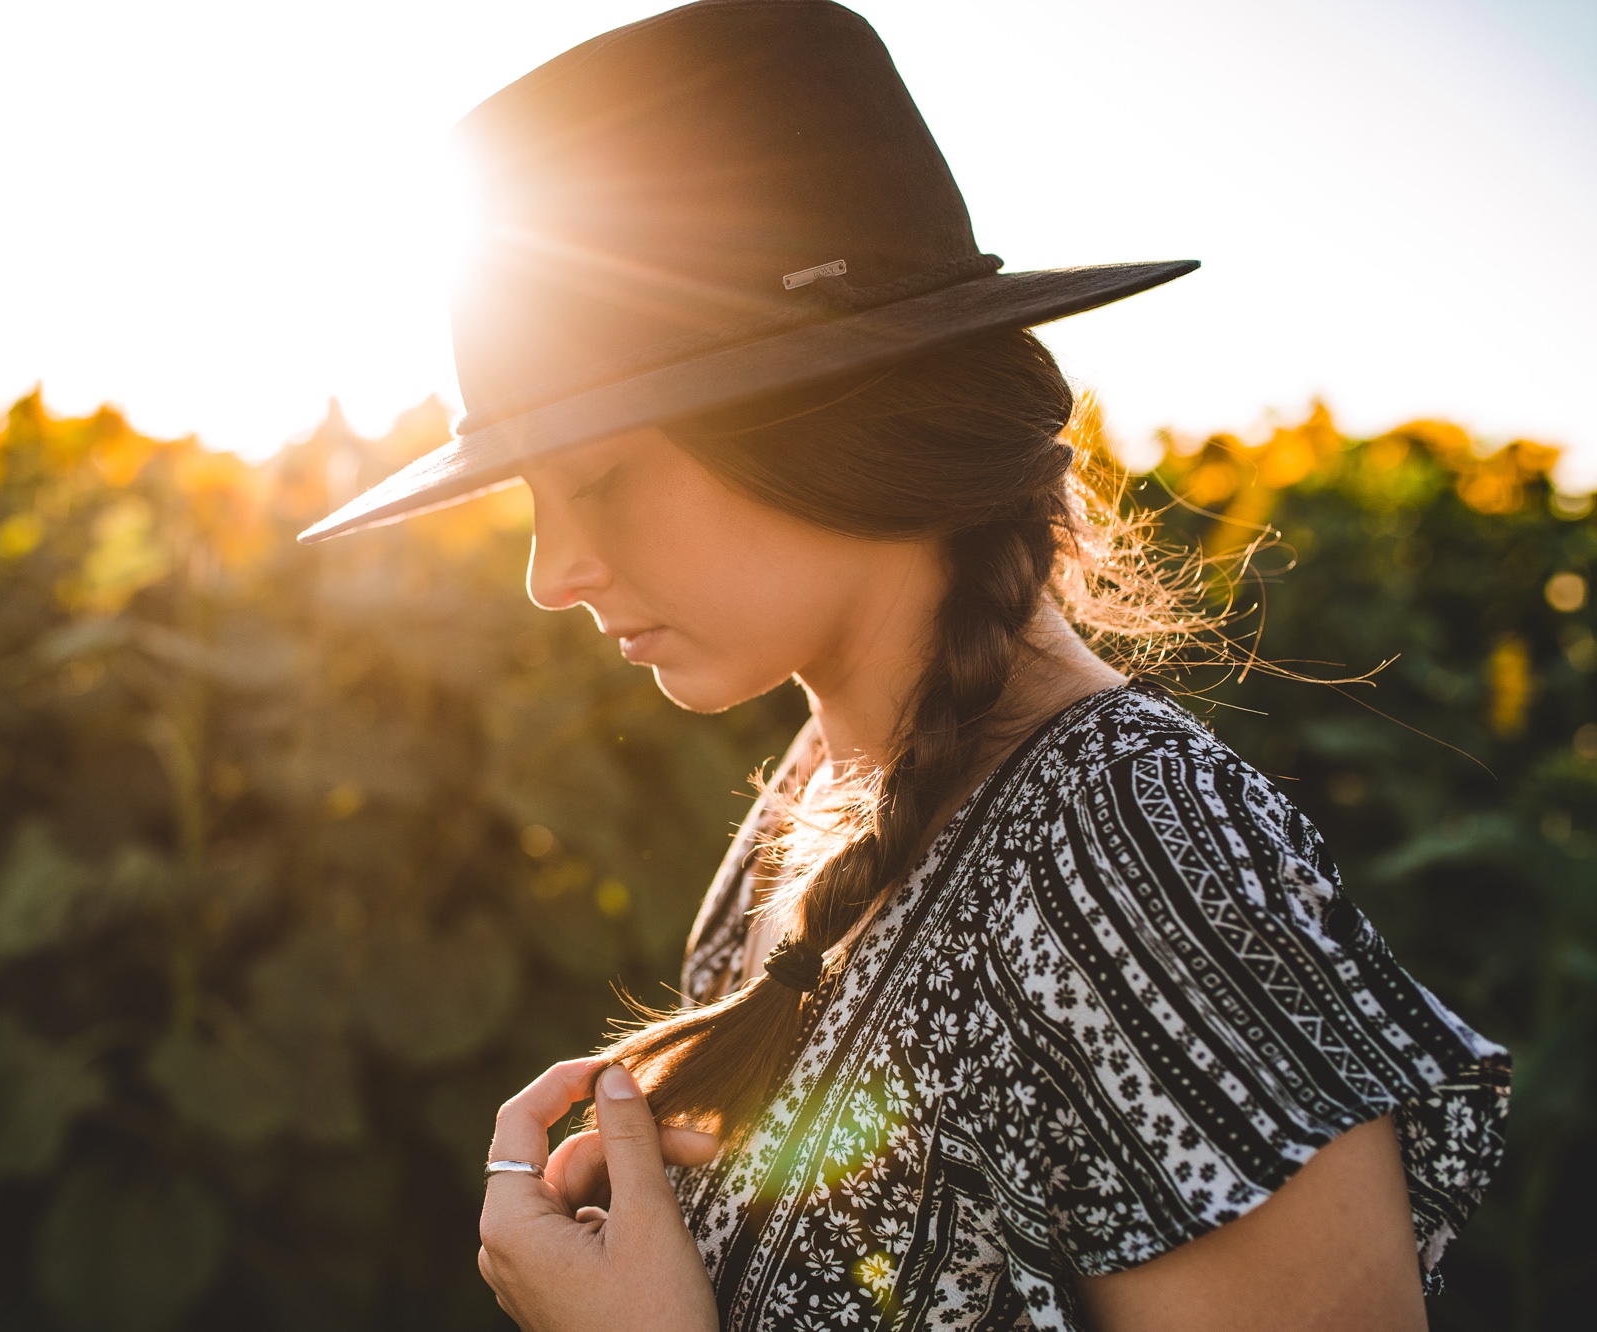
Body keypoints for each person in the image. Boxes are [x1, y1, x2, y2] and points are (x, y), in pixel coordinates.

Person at [298, 3, 1511, 1328]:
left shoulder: (1131, 855)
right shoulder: (824, 785)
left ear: (826, 412)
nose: (552, 573)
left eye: (599, 478)